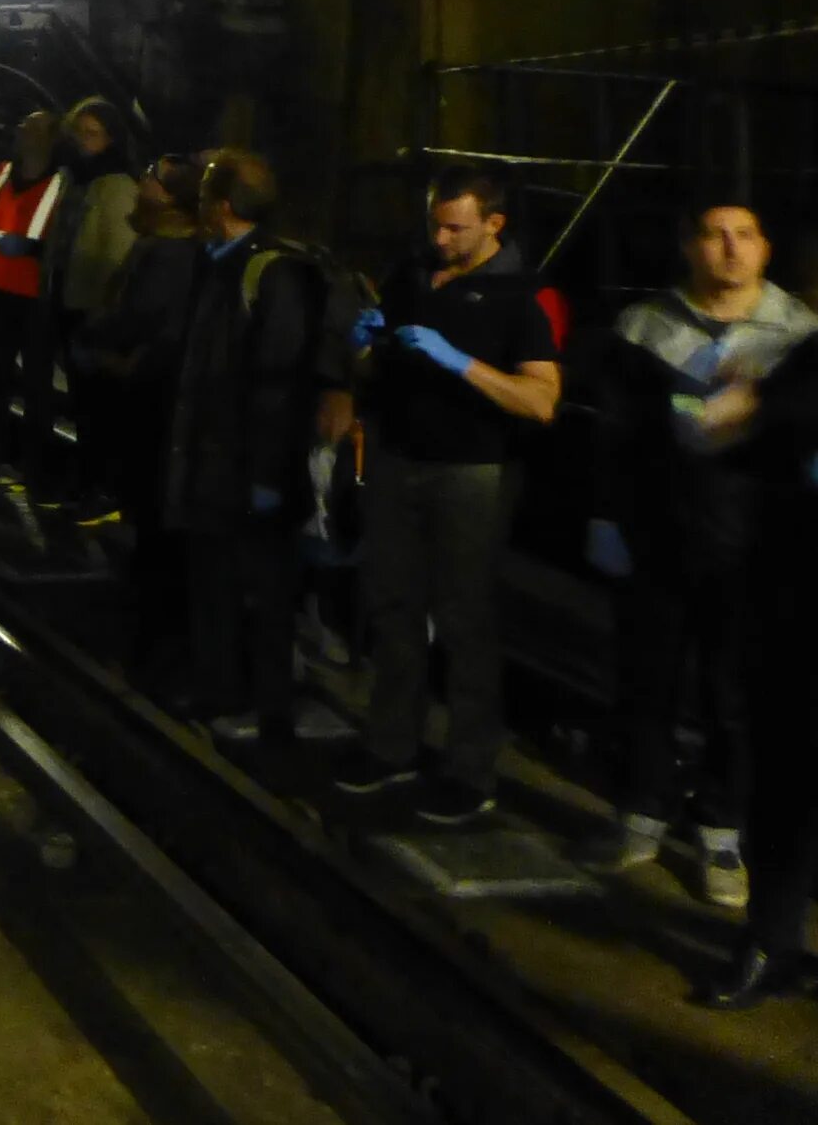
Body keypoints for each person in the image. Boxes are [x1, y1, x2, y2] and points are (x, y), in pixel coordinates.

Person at [580, 200, 816, 905]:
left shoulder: (799, 335)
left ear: (766, 249)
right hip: (659, 540)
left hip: (754, 551)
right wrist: (606, 518)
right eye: (714, 234)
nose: (730, 249)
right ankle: (642, 815)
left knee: (732, 698)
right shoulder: (644, 328)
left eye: (745, 235)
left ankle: (721, 836)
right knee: (646, 684)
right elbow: (613, 438)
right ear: (689, 246)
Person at [334, 163, 562, 824]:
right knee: (394, 606)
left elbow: (542, 399)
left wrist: (460, 362)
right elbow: (372, 365)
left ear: (494, 224)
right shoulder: (412, 273)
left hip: (472, 473)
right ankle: (390, 744)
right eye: (434, 223)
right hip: (399, 459)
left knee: (465, 619)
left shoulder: (523, 295)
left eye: (454, 228)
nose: (440, 237)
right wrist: (366, 351)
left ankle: (470, 768)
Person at [164, 150, 336, 756]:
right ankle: (219, 690)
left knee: (262, 590)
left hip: (249, 464)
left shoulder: (273, 273)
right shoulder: (221, 265)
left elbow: (277, 383)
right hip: (214, 460)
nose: (201, 206)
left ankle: (267, 708)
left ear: (227, 206)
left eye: (209, 194)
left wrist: (266, 473)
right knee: (212, 578)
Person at [688, 329, 818, 1007]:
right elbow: (716, 433)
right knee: (784, 779)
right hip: (791, 598)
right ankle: (772, 941)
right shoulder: (803, 358)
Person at [76, 153, 206, 671]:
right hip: (148, 388)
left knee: (152, 511)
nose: (142, 183)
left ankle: (153, 636)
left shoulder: (170, 253)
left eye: (153, 178)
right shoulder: (165, 244)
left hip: (150, 393)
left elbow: (142, 316)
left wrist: (101, 337)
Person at [0, 111, 65, 491]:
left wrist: (33, 249)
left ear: (51, 139)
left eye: (33, 128)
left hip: (37, 300)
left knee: (37, 388)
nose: (23, 132)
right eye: (23, 126)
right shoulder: (3, 173)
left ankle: (36, 468)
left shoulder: (61, 183)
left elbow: (63, 242)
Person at [54, 97, 142, 512]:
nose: (84, 142)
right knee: (85, 403)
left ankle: (100, 488)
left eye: (93, 133)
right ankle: (86, 481)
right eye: (80, 132)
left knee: (100, 406)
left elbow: (117, 259)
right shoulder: (80, 181)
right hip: (73, 306)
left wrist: (104, 320)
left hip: (95, 315)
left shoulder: (117, 186)